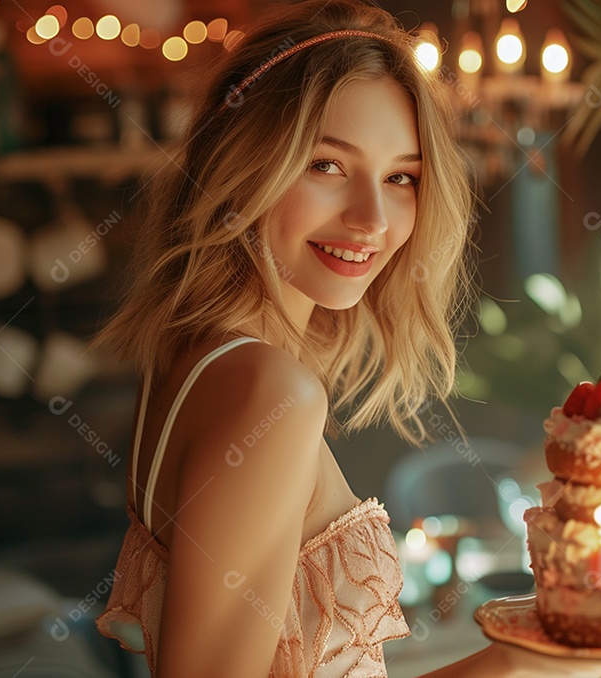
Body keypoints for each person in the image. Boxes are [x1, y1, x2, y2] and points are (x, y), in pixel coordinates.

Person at [92, 1, 530, 675]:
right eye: (327, 165)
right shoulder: (270, 391)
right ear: (244, 165)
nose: (372, 219)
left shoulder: (194, 364)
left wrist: (522, 662)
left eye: (401, 177)